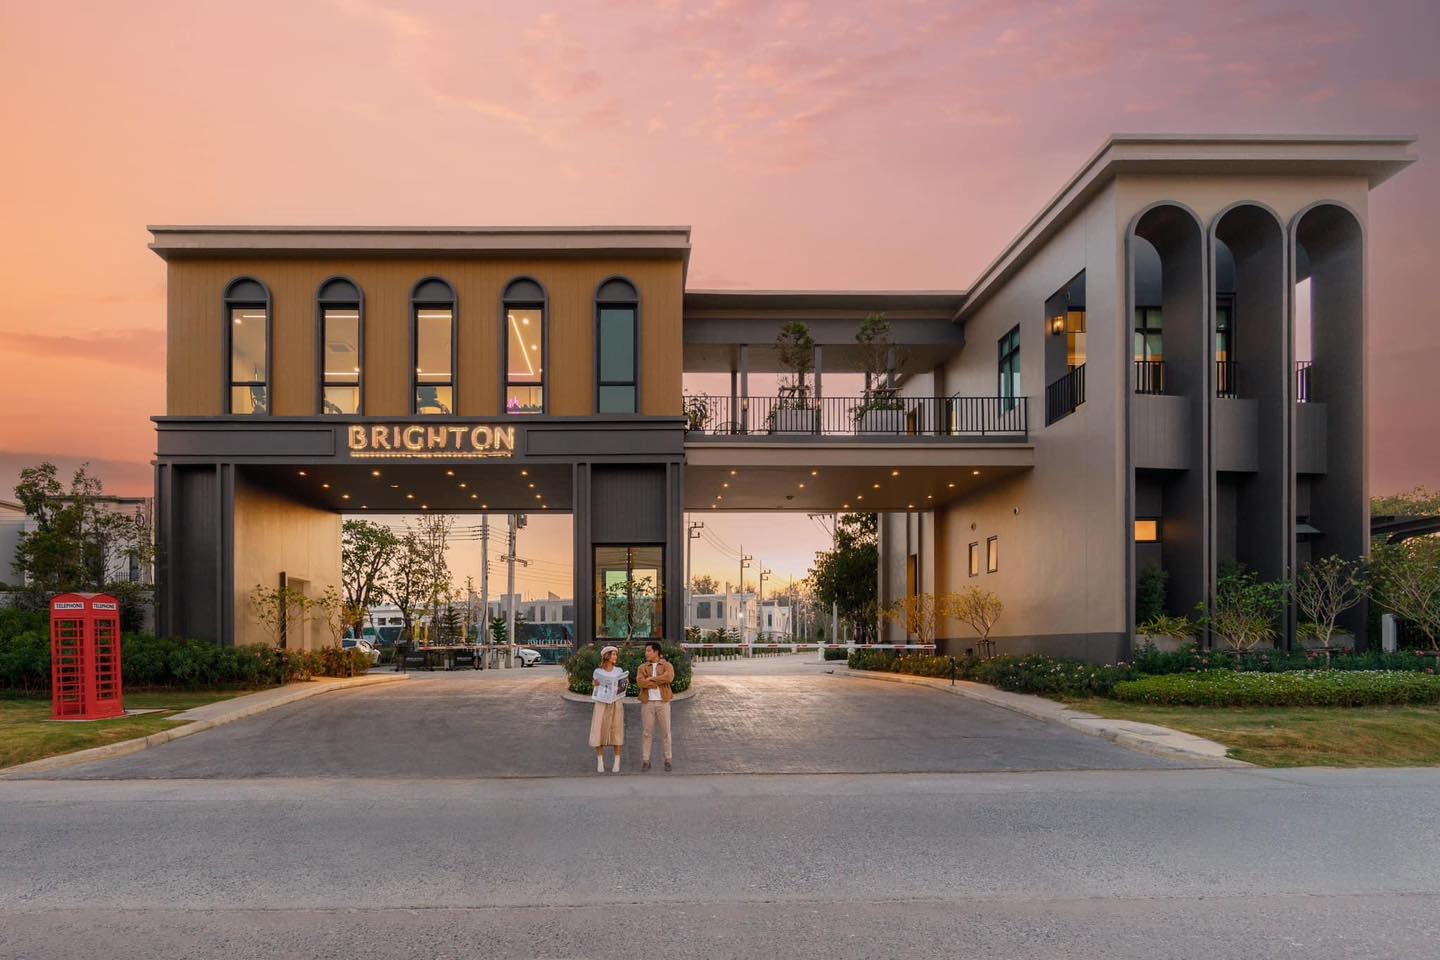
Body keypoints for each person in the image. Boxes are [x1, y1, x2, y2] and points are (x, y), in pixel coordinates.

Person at [636, 640, 675, 772]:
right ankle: (646, 760)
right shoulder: (642, 667)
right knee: (647, 733)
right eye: (646, 651)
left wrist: (651, 679)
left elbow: (669, 678)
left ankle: (668, 760)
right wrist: (657, 682)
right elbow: (640, 682)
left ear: (656, 652)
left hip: (663, 702)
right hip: (647, 703)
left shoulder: (667, 665)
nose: (646, 653)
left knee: (666, 732)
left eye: (649, 651)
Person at [589, 645, 628, 773]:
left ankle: (617, 762)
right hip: (601, 703)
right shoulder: (597, 671)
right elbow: (595, 686)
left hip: (616, 703)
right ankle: (600, 762)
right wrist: (594, 684)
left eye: (616, 654)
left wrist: (623, 686)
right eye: (613, 654)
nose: (615, 657)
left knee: (617, 731)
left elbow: (623, 686)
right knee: (599, 730)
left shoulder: (619, 670)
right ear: (607, 656)